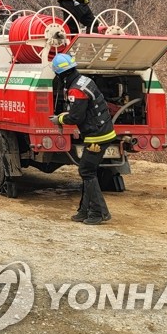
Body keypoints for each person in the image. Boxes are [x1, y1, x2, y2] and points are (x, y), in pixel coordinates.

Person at [50, 52, 117, 225]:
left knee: (86, 171)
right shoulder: (84, 80)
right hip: (102, 131)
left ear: (60, 74)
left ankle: (98, 212)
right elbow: (83, 110)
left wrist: (60, 119)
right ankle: (84, 210)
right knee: (88, 171)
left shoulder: (75, 89)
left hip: (97, 135)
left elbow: (76, 118)